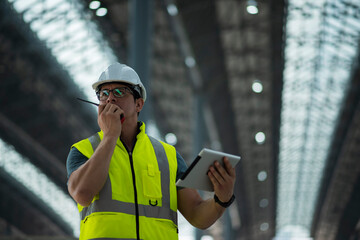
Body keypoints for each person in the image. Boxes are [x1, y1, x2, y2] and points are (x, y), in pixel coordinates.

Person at [66, 62, 236, 240]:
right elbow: (82, 194)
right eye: (103, 93)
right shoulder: (83, 150)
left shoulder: (167, 156)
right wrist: (110, 136)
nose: (110, 99)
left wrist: (221, 200)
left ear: (139, 104)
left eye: (119, 92)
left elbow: (196, 214)